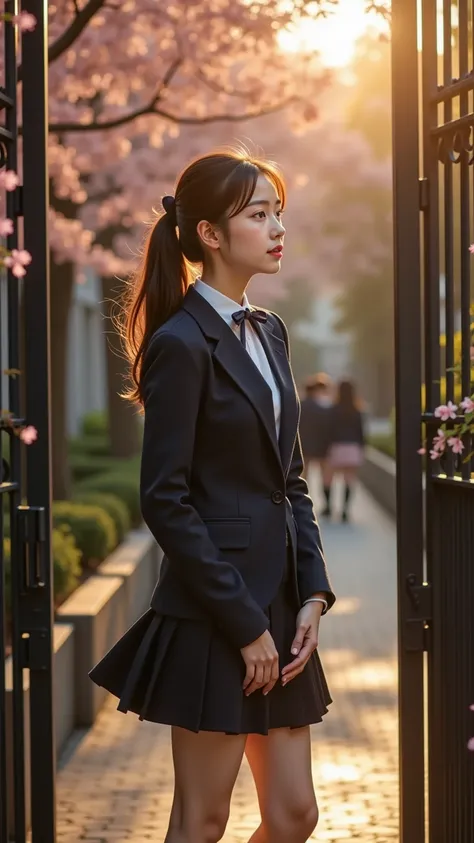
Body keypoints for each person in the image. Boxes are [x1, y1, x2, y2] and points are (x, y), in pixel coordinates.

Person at [89, 148, 335, 843]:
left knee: (293, 815)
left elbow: (290, 479)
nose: (277, 226)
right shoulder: (181, 342)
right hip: (216, 615)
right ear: (209, 234)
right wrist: (244, 625)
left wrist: (312, 592)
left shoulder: (271, 331)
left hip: (283, 609)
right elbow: (165, 499)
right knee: (203, 820)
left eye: (278, 211)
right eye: (259, 214)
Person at [327, 379, 366, 522]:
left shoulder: (333, 409)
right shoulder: (357, 410)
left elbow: (328, 430)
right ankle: (344, 510)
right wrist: (362, 448)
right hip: (353, 447)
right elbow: (361, 432)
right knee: (349, 479)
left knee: (328, 478)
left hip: (336, 446)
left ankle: (328, 507)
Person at [299, 373, 334, 516]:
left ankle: (303, 504)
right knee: (324, 476)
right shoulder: (325, 406)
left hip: (304, 446)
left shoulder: (300, 405)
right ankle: (327, 505)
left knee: (303, 476)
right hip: (322, 446)